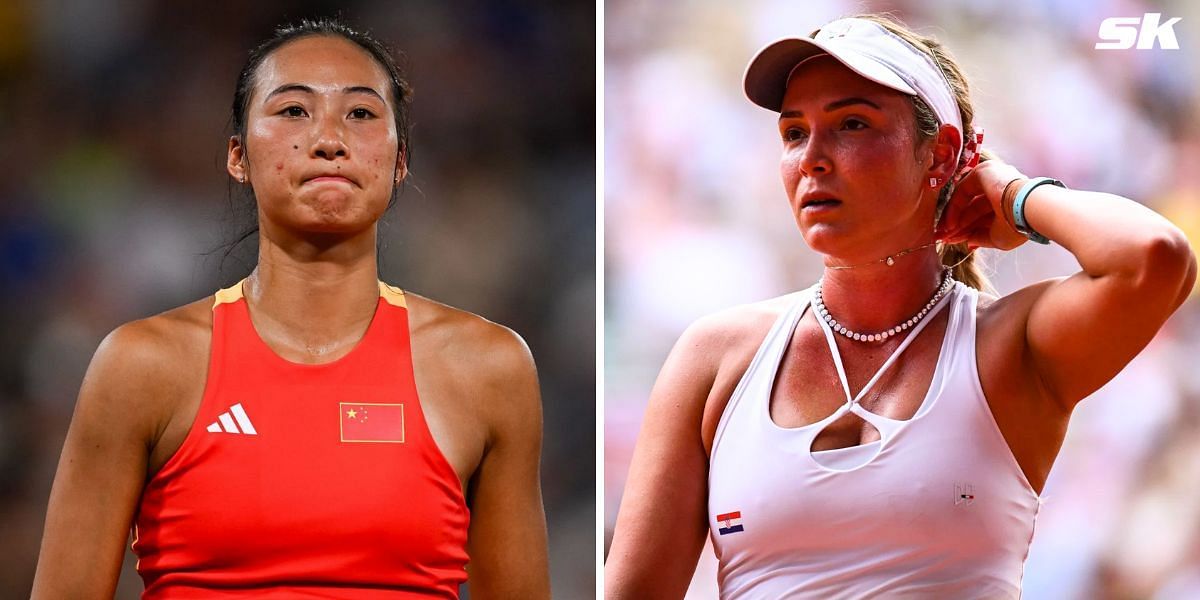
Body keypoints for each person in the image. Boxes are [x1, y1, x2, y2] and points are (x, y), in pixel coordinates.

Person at [605, 13, 1196, 599]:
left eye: (852, 124)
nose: (812, 156)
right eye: (793, 133)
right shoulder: (716, 356)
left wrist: (1011, 193)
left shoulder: (1005, 347)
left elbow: (1156, 256)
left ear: (940, 155)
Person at [32, 18, 550, 599]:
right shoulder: (142, 366)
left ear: (399, 160)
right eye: (293, 111)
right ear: (238, 156)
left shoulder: (488, 370)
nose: (329, 139)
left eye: (360, 113)